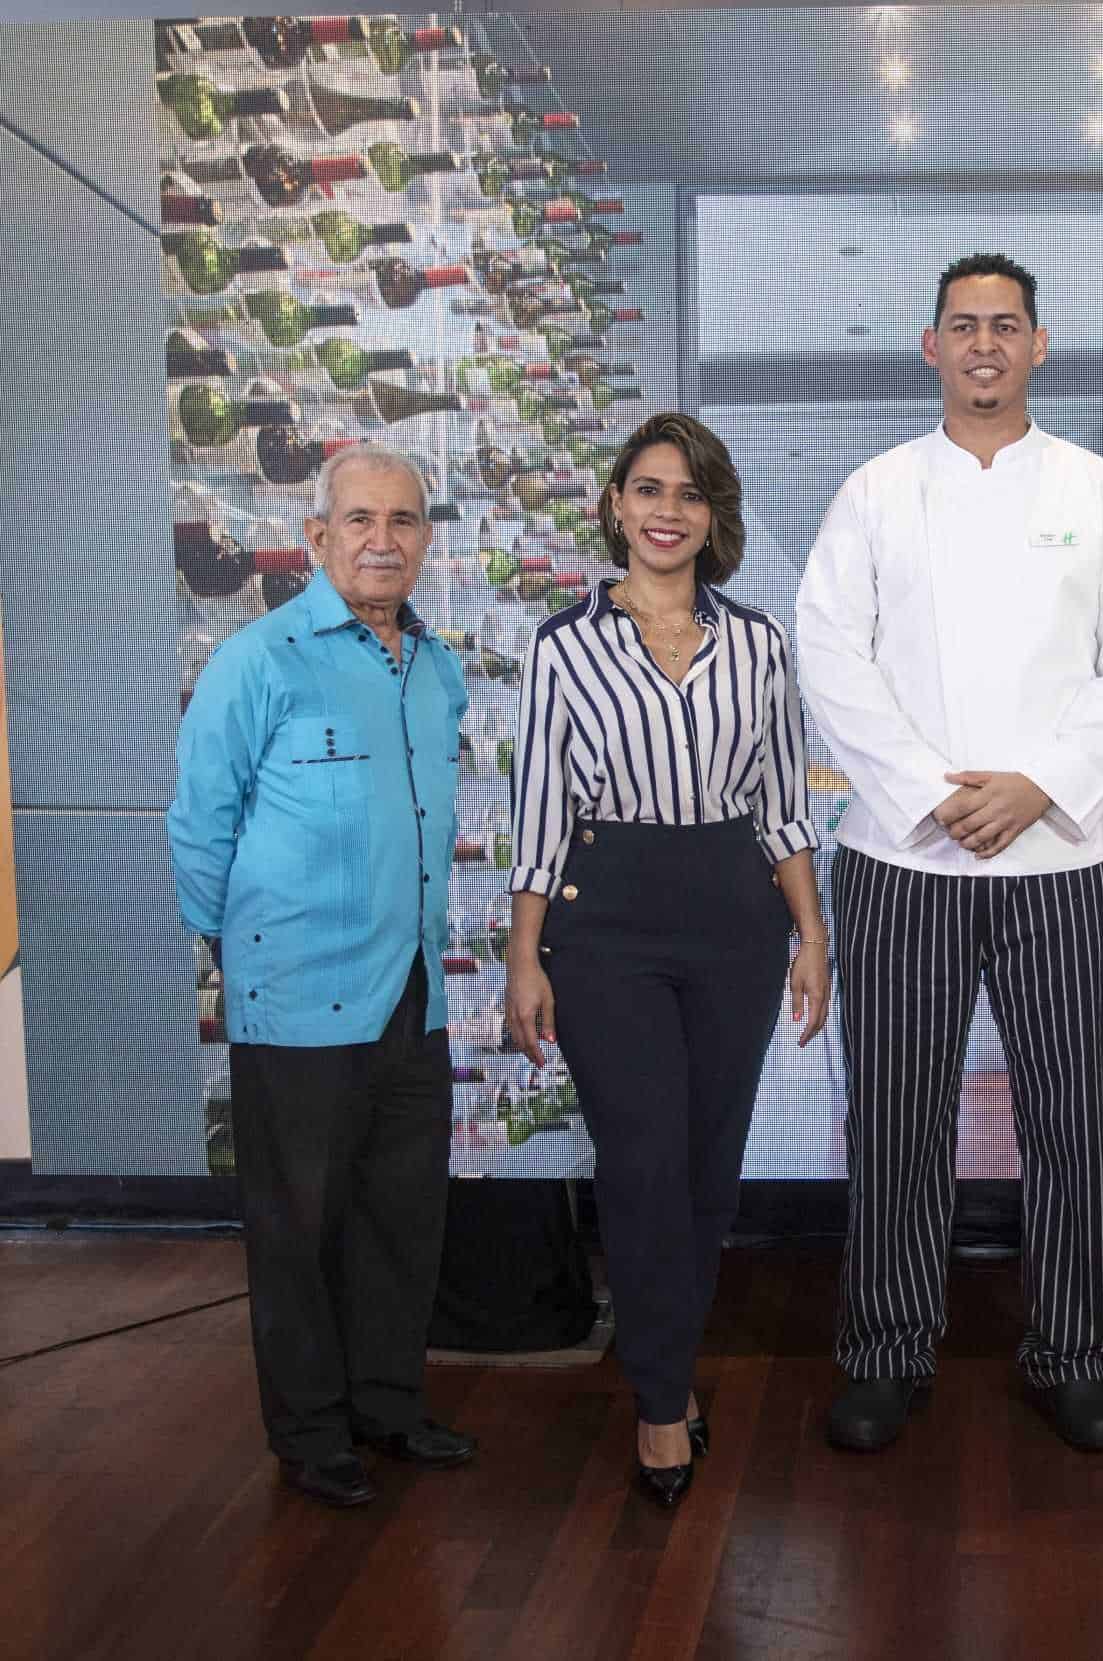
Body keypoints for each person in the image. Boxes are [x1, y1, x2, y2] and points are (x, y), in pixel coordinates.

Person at [795, 252, 1103, 1454]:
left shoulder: (1095, 489)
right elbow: (829, 655)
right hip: (899, 859)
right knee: (896, 1117)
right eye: (961, 325)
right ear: (929, 346)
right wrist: (926, 795)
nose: (982, 345)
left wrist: (1040, 786)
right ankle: (887, 1351)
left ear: (1038, 345)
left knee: (1071, 1117)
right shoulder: (874, 491)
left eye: (1004, 325)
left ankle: (1070, 1351)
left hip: (1062, 856)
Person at [504, 412, 828, 1510]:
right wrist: (522, 955)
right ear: (614, 506)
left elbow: (781, 804)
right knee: (640, 1159)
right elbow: (541, 808)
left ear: (711, 516)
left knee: (703, 1170)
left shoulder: (758, 645)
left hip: (735, 922)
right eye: (646, 489)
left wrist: (813, 937)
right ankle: (656, 1401)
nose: (664, 511)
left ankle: (667, 1366)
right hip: (605, 928)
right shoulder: (563, 646)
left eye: (686, 494)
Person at [168, 444, 475, 1509]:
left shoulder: (438, 668)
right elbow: (198, 827)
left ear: (425, 539)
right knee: (296, 1229)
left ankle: (387, 1406)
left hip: (411, 990)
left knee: (401, 1215)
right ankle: (309, 1434)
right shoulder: (260, 662)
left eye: (402, 519)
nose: (382, 539)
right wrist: (242, 951)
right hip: (292, 997)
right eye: (359, 520)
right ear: (317, 539)